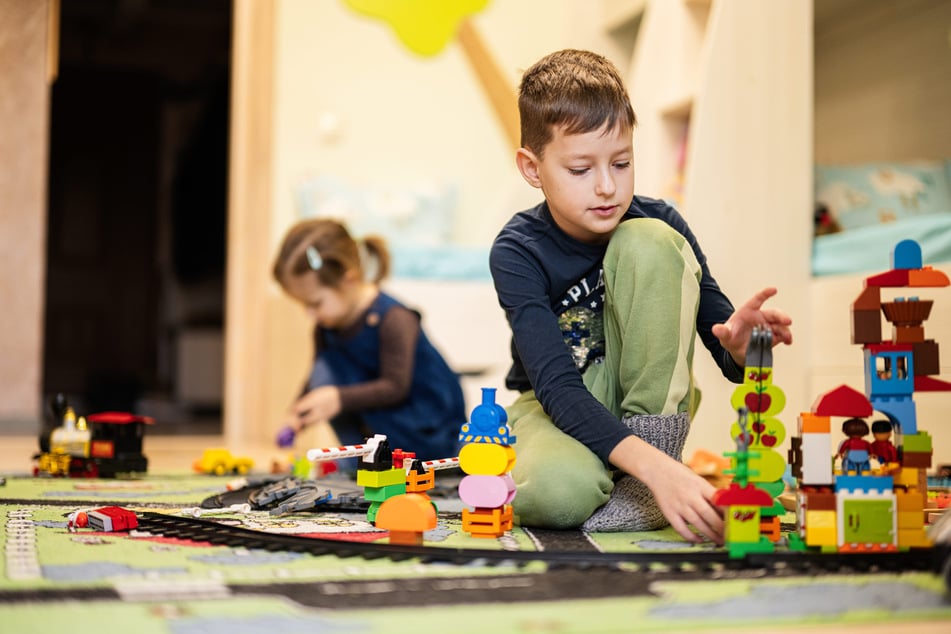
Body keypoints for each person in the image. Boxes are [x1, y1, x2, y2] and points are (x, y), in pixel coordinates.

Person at [488, 49, 793, 544]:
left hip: (646, 405)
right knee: (558, 493)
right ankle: (647, 477)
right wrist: (659, 470)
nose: (608, 187)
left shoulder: (661, 224)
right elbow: (557, 389)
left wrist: (741, 348)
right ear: (532, 167)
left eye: (622, 162)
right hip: (553, 402)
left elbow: (725, 347)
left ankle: (651, 465)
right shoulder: (517, 250)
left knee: (647, 237)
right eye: (580, 169)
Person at [272, 218, 466, 464]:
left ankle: (444, 457)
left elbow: (396, 386)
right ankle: (361, 459)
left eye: (315, 303)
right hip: (377, 431)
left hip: (426, 428)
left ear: (349, 279)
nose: (309, 314)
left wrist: (338, 398)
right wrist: (295, 413)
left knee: (332, 391)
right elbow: (316, 377)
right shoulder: (325, 327)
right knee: (323, 375)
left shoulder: (394, 318)